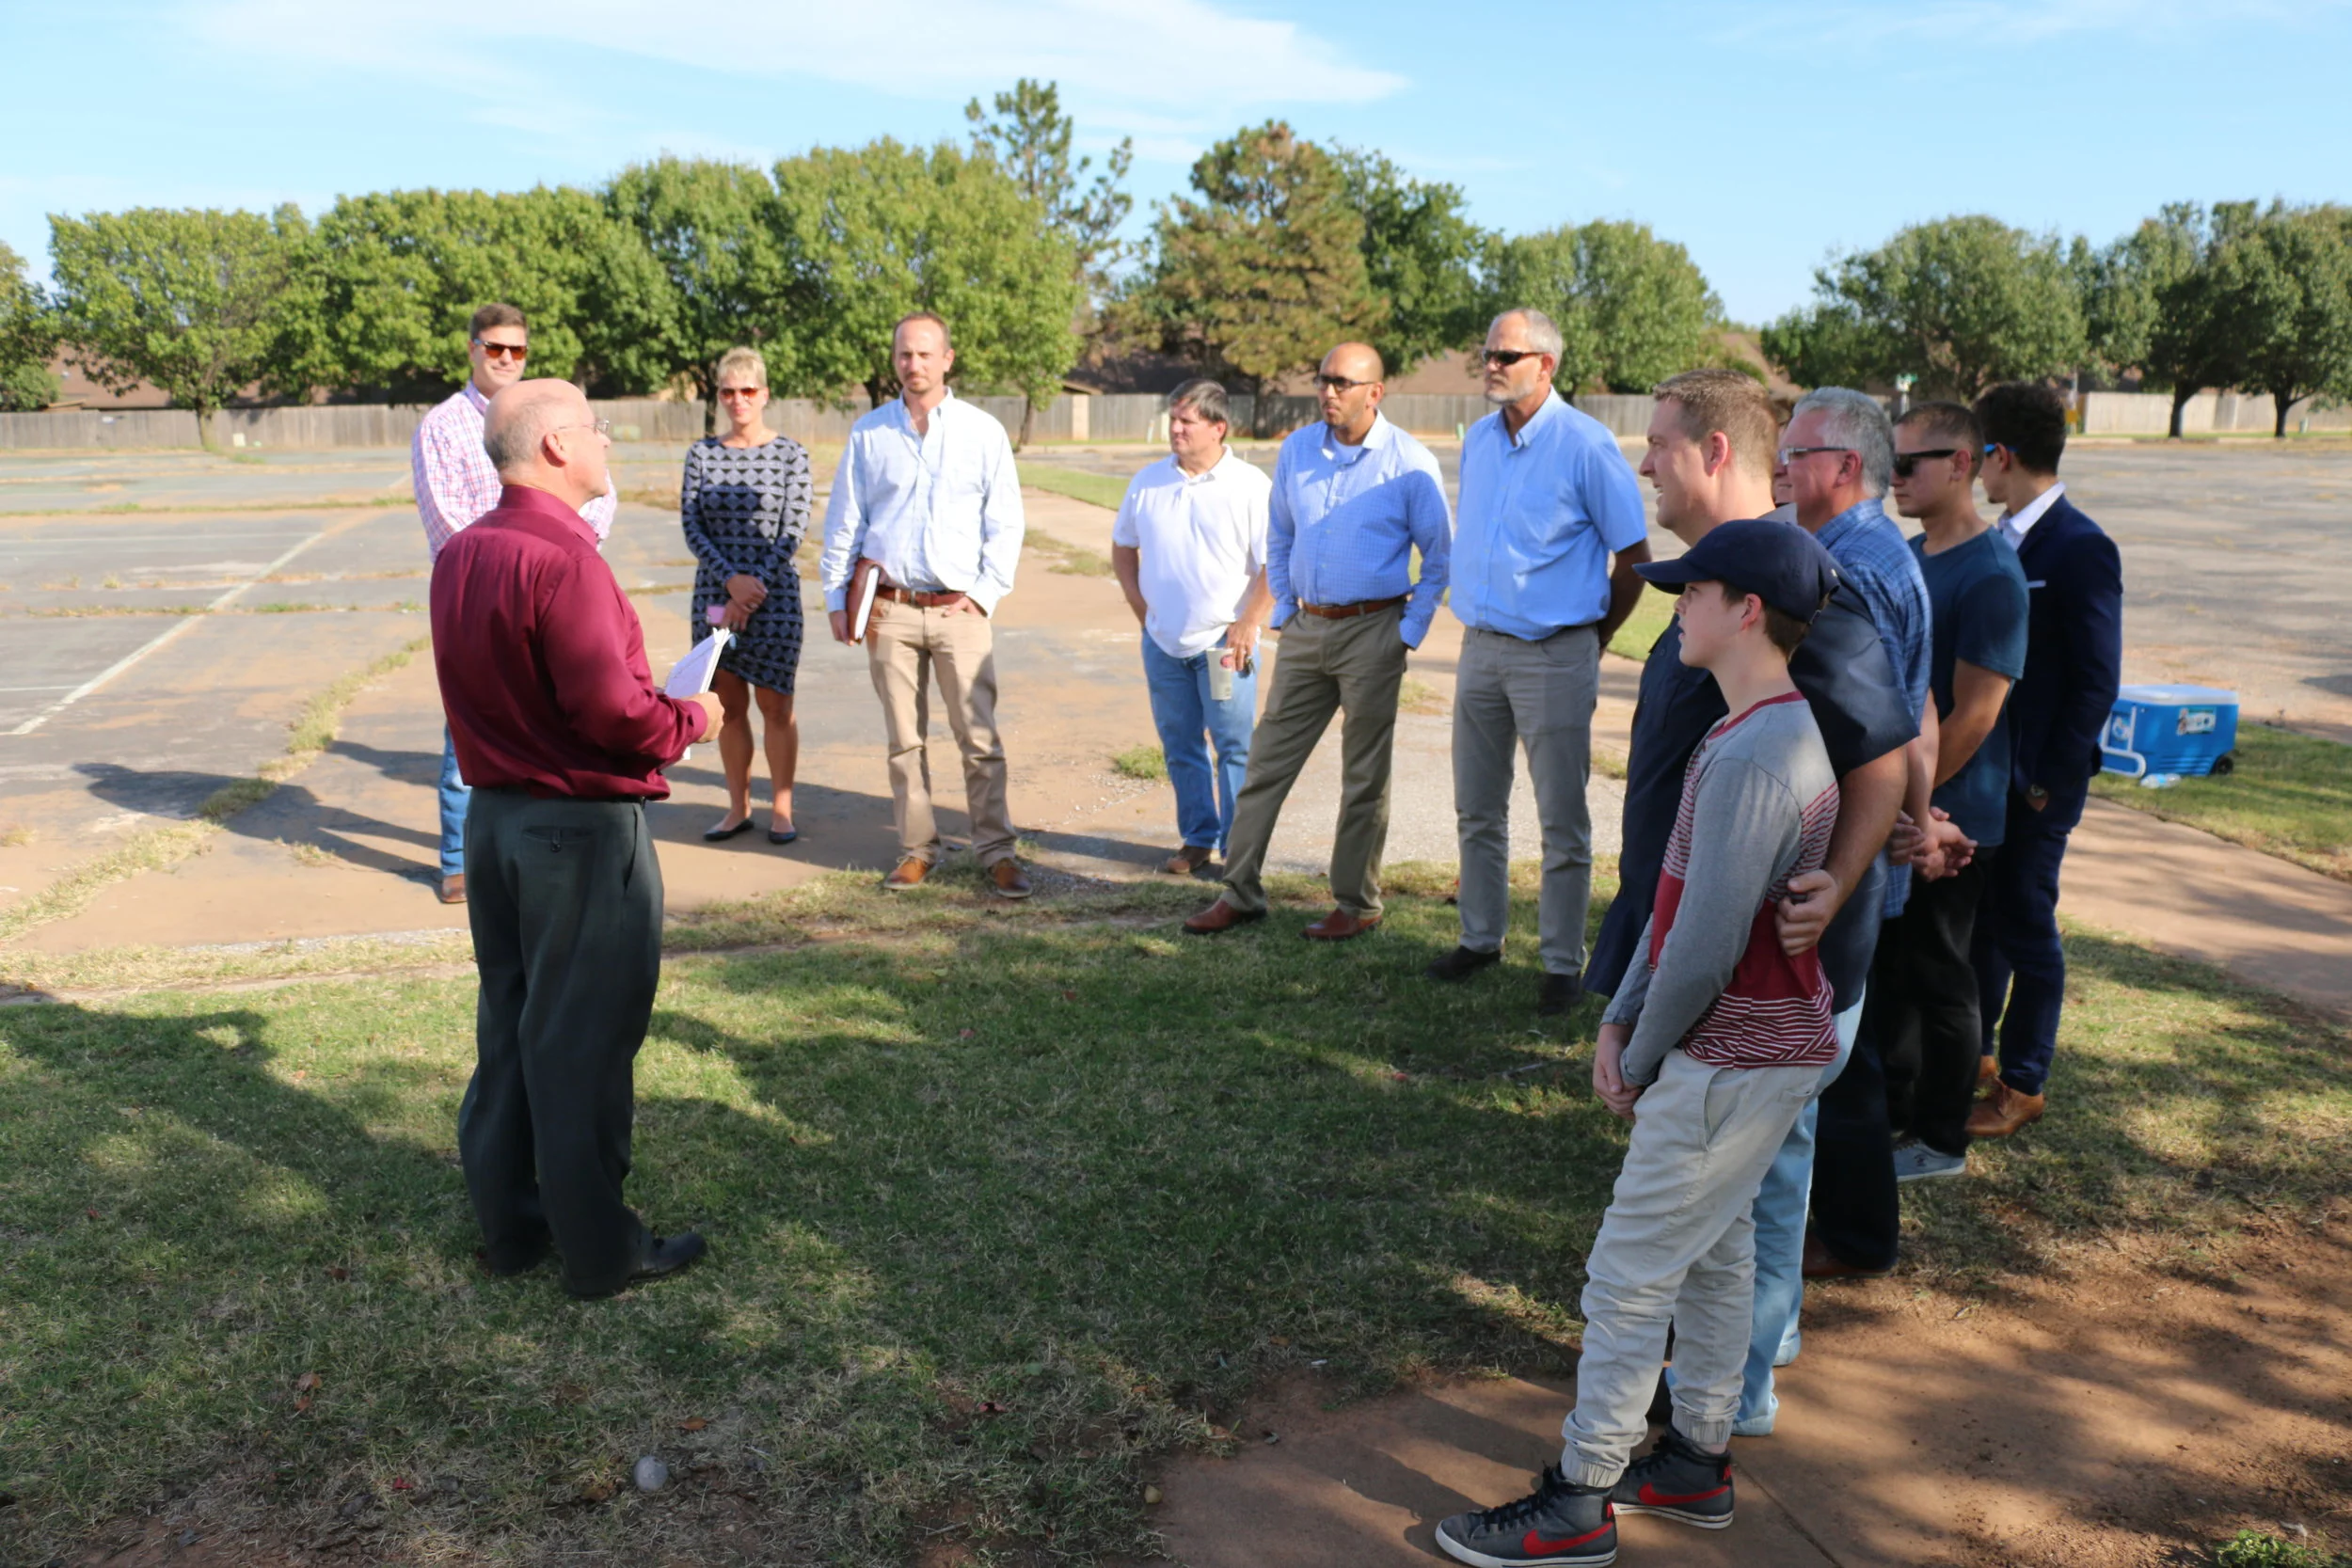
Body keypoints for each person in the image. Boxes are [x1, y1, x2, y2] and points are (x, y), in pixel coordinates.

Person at [1438, 520, 1846, 1568]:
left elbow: (1704, 946)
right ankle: (1695, 1460)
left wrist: (1642, 1045)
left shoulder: (1758, 750)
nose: (1675, 609)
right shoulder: (1752, 727)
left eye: (1692, 592)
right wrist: (1625, 1014)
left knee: (1627, 1274)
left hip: (1732, 1052)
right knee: (1714, 1252)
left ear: (1746, 610)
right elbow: (1684, 915)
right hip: (1752, 1048)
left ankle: (1578, 1500)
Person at [1594, 369, 1913, 1441]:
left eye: (1660, 443)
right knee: (1723, 1208)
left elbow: (1885, 754)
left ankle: (1726, 1406)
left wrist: (1836, 879)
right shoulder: (1709, 589)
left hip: (1759, 978)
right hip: (1690, 945)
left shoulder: (1796, 591)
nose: (1645, 463)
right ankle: (1711, 1407)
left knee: (1760, 1179)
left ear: (1717, 452)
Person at [431, 378, 716, 1299]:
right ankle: (600, 1248)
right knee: (583, 1040)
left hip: (495, 821)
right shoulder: (565, 558)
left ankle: (513, 1226)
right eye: (595, 426)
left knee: (513, 1024)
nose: (607, 440)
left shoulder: (463, 551)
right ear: (555, 444)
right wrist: (693, 717)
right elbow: (614, 714)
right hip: (577, 833)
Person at [1184, 342, 1451, 941]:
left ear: (1374, 393)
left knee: (1364, 777)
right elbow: (1279, 536)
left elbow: (1439, 560)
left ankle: (1356, 904)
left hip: (1374, 631)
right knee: (1265, 763)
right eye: (1323, 379)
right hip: (1306, 630)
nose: (1328, 391)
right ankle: (1239, 892)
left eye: (1342, 383)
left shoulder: (1409, 462)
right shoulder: (1299, 449)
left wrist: (1405, 635)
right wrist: (1284, 609)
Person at [1429, 309, 1653, 1016]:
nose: (1491, 365)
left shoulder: (1585, 444)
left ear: (1546, 365)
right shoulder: (1479, 441)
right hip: (1480, 650)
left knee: (1561, 818)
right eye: (1488, 353)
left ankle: (1561, 961)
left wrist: (1593, 639)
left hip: (1555, 654)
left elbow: (1635, 558)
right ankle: (1480, 938)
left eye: (1507, 355)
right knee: (1476, 807)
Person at [1774, 387, 1936, 1284]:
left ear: (1843, 466)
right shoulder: (1878, 549)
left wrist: (1902, 819)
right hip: (1869, 841)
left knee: (1832, 1053)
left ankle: (1853, 1234)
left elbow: (1879, 726)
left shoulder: (1851, 567)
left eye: (1796, 453)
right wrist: (1919, 814)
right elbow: (1915, 707)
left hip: (1847, 847)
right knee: (1848, 1043)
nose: (1782, 467)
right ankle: (1856, 1229)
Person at [818, 312, 1031, 896]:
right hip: (890, 610)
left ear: (947, 359)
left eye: (925, 353)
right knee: (903, 740)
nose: (914, 364)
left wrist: (984, 595)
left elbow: (1006, 522)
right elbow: (845, 521)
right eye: (905, 354)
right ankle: (917, 850)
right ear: (895, 360)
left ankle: (997, 851)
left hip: (959, 610)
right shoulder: (870, 434)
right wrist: (837, 597)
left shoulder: (982, 432)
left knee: (979, 738)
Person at [412, 302, 616, 905]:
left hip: (553, 587)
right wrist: (511, 564)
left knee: (556, 718)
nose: (506, 359)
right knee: (470, 733)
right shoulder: (443, 426)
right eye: (495, 348)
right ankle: (460, 861)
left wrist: (563, 559)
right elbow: (445, 517)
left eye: (517, 349)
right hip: (480, 597)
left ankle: (548, 847)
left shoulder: (547, 414)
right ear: (472, 349)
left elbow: (598, 495)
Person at [1874, 402, 2027, 1181]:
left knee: (1941, 978)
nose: (1893, 478)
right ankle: (1893, 1117)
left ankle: (1940, 1140)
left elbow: (1975, 713)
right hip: (1908, 807)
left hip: (1953, 818)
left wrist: (1915, 809)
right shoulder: (1911, 554)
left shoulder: (1992, 574)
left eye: (1909, 464)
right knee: (1895, 975)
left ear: (1962, 464)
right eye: (1889, 463)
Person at [1968, 381, 2122, 1138]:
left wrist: (2046, 781)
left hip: (2036, 784)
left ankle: (2024, 1081)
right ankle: (1976, 1053)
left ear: (2002, 454)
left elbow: (2097, 679)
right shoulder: (1997, 537)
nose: (1973, 469)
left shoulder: (2081, 546)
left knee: (2026, 923)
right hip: (1990, 775)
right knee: (1987, 922)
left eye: (1978, 454)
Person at [1110, 380, 1275, 874]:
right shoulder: (1148, 482)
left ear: (1218, 428)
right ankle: (1197, 839)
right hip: (1162, 643)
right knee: (1180, 745)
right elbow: (1123, 546)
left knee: (1233, 746)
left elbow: (1275, 564)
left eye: (1187, 421)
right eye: (1173, 419)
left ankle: (1238, 850)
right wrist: (1141, 609)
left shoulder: (1250, 486)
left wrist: (1248, 622)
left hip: (1224, 645)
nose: (1176, 429)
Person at [681, 346, 814, 846]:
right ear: (719, 396)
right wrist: (730, 581)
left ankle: (782, 808)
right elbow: (693, 527)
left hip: (774, 598)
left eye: (748, 390)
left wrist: (751, 586)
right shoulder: (701, 454)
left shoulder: (791, 455)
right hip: (714, 597)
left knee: (776, 707)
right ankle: (738, 808)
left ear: (765, 394)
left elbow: (793, 529)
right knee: (728, 708)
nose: (738, 399)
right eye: (728, 391)